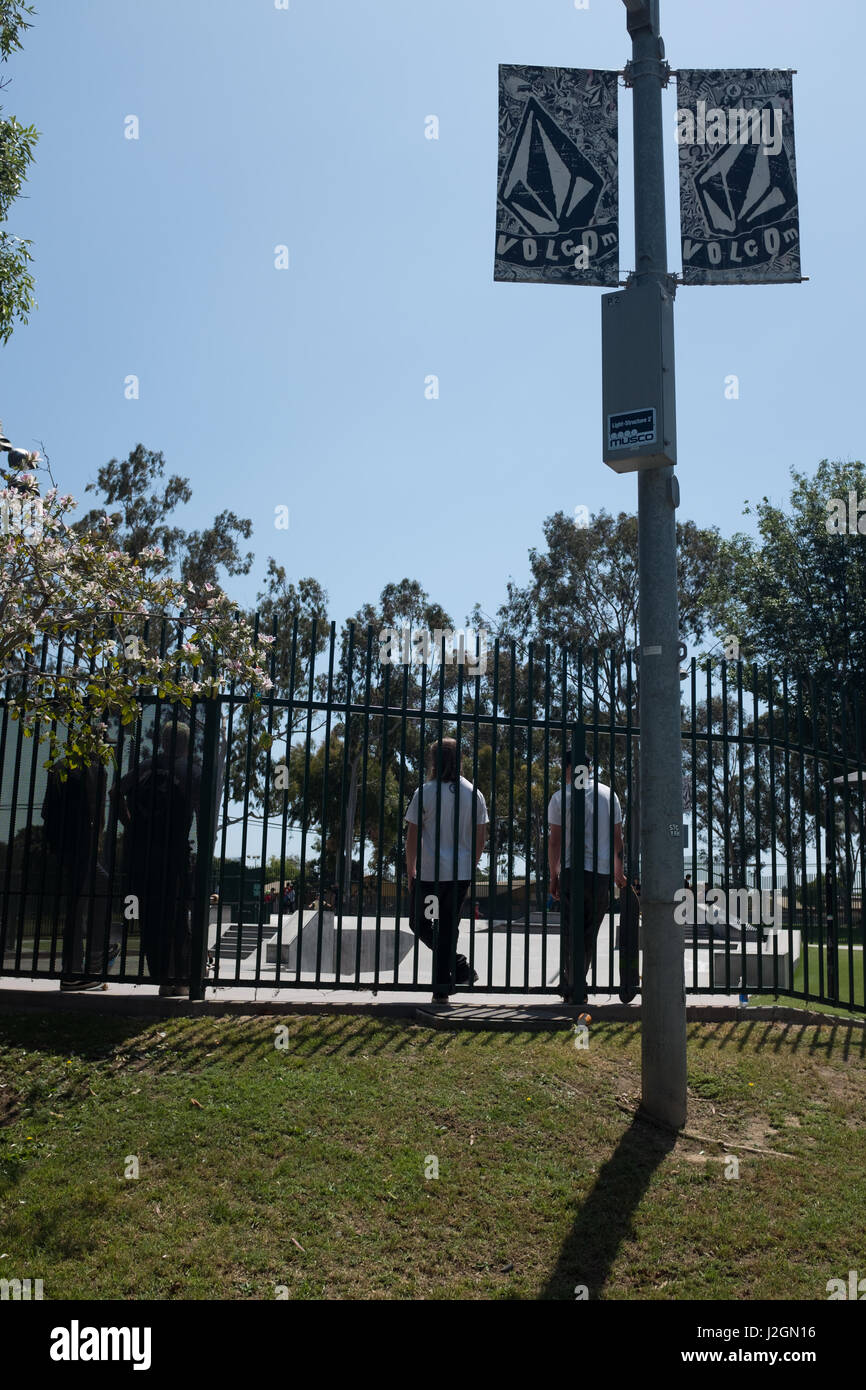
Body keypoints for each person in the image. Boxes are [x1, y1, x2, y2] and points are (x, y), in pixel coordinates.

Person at [118, 720, 200, 998]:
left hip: (142, 856)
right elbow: (202, 811)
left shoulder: (145, 766)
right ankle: (180, 978)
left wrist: (131, 825)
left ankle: (162, 978)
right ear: (187, 745)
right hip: (174, 854)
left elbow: (116, 792)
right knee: (178, 917)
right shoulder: (191, 771)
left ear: (162, 741)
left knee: (151, 919)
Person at [404, 738, 488, 1000]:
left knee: (421, 923)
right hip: (458, 875)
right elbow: (480, 838)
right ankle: (455, 972)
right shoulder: (474, 794)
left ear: (433, 761)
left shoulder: (425, 792)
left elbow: (412, 836)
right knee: (447, 928)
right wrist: (469, 865)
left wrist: (411, 870)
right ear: (459, 760)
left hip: (430, 876)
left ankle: (446, 984)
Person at [548, 752, 626, 1004]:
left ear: (569, 768)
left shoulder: (561, 797)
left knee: (573, 931)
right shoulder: (608, 794)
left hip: (572, 872)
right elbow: (617, 838)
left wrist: (553, 874)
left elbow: (555, 842)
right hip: (601, 874)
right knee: (590, 932)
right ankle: (576, 984)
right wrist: (618, 871)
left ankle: (573, 986)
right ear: (590, 768)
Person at [42, 757, 120, 991]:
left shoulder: (59, 766)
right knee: (82, 902)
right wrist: (95, 844)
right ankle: (76, 970)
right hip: (81, 844)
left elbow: (46, 811)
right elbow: (98, 814)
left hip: (62, 843)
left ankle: (90, 957)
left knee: (89, 893)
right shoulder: (96, 768)